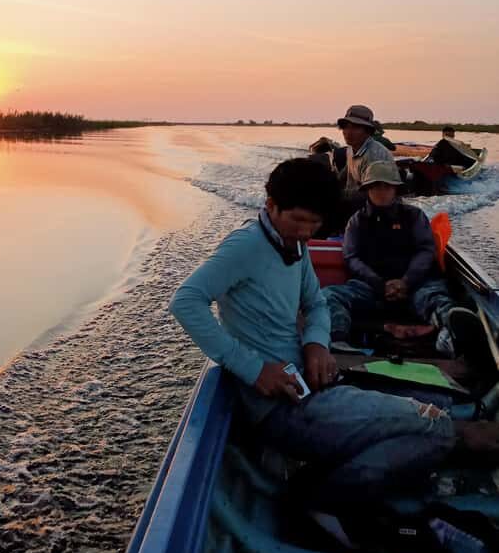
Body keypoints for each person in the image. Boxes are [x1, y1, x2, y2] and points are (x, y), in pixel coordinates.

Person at [169, 158, 499, 526]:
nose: (307, 232)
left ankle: (330, 477)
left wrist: (316, 345)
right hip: (282, 406)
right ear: (270, 205)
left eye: (315, 224)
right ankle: (316, 498)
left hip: (314, 379)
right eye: (298, 220)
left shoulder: (293, 246)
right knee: (434, 432)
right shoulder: (244, 248)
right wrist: (255, 369)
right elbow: (186, 301)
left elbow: (315, 303)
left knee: (428, 414)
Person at [324, 161, 480, 356]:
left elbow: (425, 251)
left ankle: (449, 337)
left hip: (416, 286)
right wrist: (379, 284)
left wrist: (406, 281)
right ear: (367, 189)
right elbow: (351, 257)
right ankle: (338, 340)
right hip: (373, 289)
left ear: (396, 189)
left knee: (437, 299)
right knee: (330, 296)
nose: (381, 191)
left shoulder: (414, 216)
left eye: (386, 186)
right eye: (375, 186)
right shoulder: (356, 221)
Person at [337, 104, 394, 194]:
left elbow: (373, 195)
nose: (348, 132)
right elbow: (346, 173)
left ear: (368, 131)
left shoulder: (375, 156)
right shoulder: (351, 148)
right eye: (346, 127)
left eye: (355, 127)